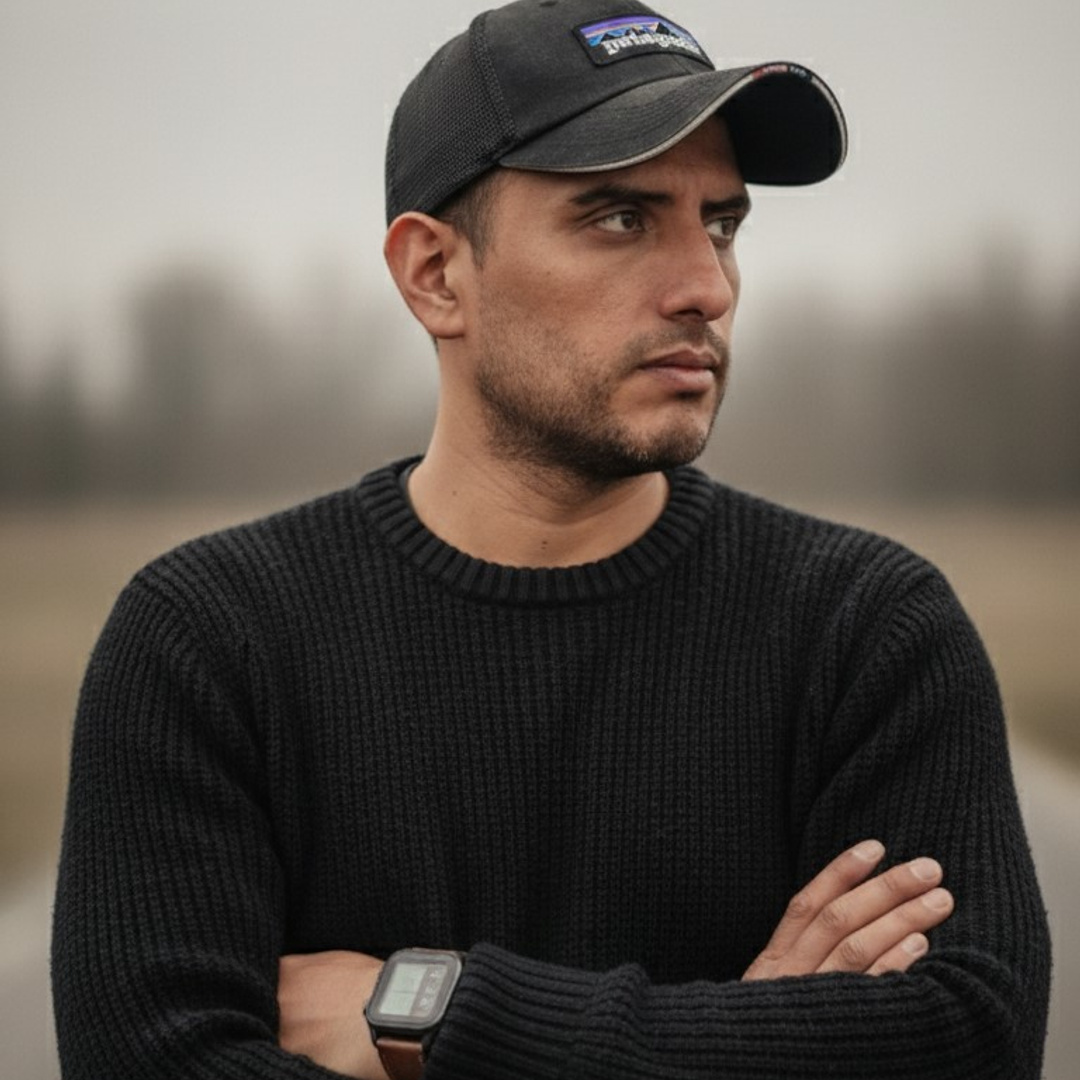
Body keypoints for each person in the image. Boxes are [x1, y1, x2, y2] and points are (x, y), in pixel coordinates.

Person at [51, 1, 1050, 1078]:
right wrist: (750, 1040)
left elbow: (969, 1038)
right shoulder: (209, 639)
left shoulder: (866, 630)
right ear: (436, 275)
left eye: (721, 224)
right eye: (620, 218)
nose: (707, 286)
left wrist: (441, 1019)